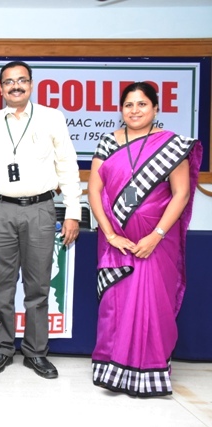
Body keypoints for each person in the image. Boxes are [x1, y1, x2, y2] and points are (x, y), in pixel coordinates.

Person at [0, 60, 82, 379]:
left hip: (41, 209)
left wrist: (73, 211)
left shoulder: (52, 118)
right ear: (0, 88)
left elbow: (67, 165)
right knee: (0, 285)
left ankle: (36, 352)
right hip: (1, 209)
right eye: (9, 82)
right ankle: (1, 349)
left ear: (31, 84)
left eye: (22, 80)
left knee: (38, 286)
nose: (16, 86)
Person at [88, 82, 201, 397]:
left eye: (142, 104)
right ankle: (113, 369)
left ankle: (149, 371)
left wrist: (156, 235)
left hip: (157, 243)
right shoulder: (108, 142)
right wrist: (110, 234)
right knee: (116, 303)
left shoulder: (171, 145)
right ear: (120, 110)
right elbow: (94, 190)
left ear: (155, 108)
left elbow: (181, 194)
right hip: (116, 242)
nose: (134, 110)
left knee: (153, 303)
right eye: (128, 105)